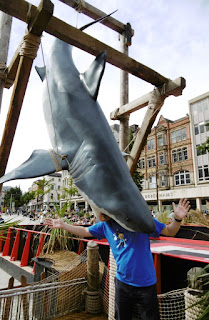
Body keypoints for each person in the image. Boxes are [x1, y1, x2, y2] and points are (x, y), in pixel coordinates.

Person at [45, 198, 190, 320]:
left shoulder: (141, 221)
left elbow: (169, 231)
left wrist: (177, 218)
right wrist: (63, 225)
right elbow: (85, 231)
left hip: (146, 285)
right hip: (123, 284)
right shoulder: (106, 226)